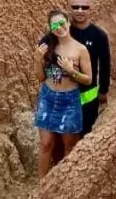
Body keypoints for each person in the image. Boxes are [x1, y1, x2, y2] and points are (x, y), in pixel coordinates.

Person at [32, 9, 93, 178]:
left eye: (61, 23)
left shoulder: (80, 50)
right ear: (50, 28)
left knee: (69, 147)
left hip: (70, 101)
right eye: (54, 25)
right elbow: (40, 77)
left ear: (68, 22)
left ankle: (62, 185)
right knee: (46, 144)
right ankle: (41, 185)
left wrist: (71, 71)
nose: (59, 28)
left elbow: (88, 79)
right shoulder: (47, 46)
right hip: (48, 97)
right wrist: (37, 60)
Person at [68, 0, 112, 139]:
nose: (80, 11)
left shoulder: (99, 35)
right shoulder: (64, 32)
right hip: (65, 93)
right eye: (76, 7)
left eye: (84, 7)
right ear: (70, 8)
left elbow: (105, 64)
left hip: (88, 93)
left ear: (89, 9)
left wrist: (103, 91)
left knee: (86, 132)